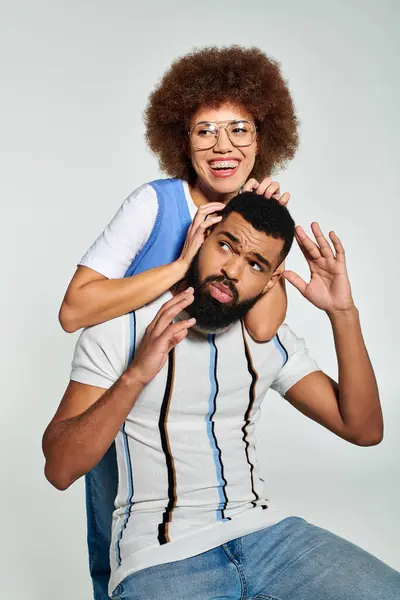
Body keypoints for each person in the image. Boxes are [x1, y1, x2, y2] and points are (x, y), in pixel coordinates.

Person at [44, 192, 400, 599]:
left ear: (270, 281)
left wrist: (343, 313)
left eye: (254, 264)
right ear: (203, 237)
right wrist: (136, 375)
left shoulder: (269, 341)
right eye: (226, 246)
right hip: (162, 557)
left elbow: (364, 428)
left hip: (269, 538)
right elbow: (60, 468)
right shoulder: (119, 330)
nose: (231, 270)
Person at [57, 46, 299, 599]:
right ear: (181, 141)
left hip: (196, 403)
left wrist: (269, 237)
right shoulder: (153, 203)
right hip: (125, 387)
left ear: (264, 137)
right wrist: (181, 267)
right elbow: (75, 310)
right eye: (204, 131)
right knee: (114, 541)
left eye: (239, 129)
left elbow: (262, 330)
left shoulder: (252, 221)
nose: (223, 146)